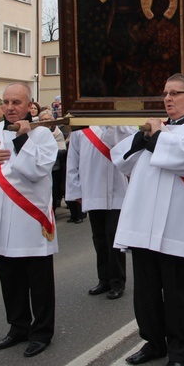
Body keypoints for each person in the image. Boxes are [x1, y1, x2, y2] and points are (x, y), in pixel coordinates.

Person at [111, 73, 184, 366]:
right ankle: (154, 342)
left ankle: (181, 349)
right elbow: (120, 159)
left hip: (177, 225)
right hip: (144, 222)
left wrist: (156, 137)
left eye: (175, 93)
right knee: (145, 292)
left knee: (177, 292)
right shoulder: (157, 127)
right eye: (165, 94)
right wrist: (142, 136)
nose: (168, 99)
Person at [0, 82, 58, 358]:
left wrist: (22, 139)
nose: (9, 108)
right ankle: (18, 326)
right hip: (0, 216)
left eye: (16, 102)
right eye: (5, 102)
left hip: (30, 218)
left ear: (29, 105)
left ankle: (41, 332)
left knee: (38, 281)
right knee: (9, 277)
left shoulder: (42, 134)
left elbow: (37, 169)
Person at [66, 124, 133, 299]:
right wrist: (75, 191)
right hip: (92, 189)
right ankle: (103, 279)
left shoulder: (125, 126)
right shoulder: (81, 129)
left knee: (113, 236)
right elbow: (73, 160)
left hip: (117, 190)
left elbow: (129, 149)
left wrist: (114, 126)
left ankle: (118, 281)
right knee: (99, 237)